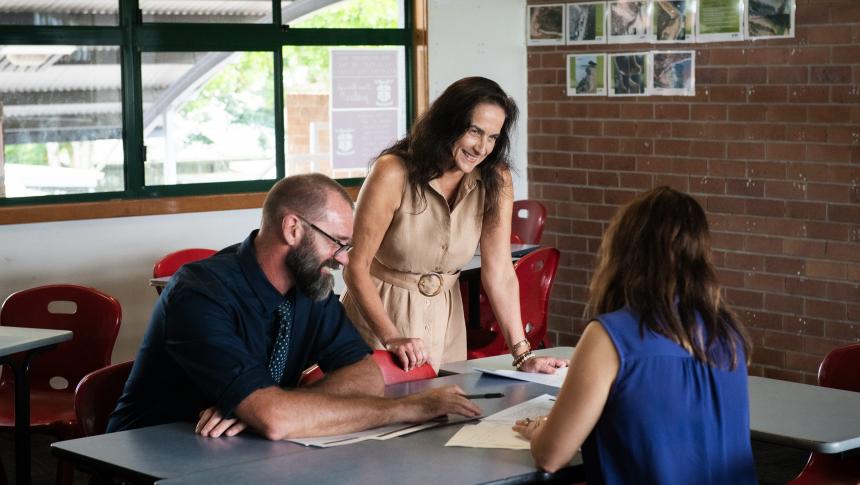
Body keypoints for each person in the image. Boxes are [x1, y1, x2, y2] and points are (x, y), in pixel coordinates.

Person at [107, 174, 481, 440]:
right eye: (338, 242)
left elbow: (365, 376)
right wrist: (410, 407)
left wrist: (272, 406)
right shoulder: (200, 293)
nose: (344, 260)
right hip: (148, 455)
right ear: (292, 229)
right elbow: (275, 421)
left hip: (233, 448)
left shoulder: (309, 287)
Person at [513, 187, 756, 484]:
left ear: (625, 251)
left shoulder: (610, 336)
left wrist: (539, 431)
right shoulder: (728, 333)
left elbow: (551, 456)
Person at [340, 76, 567, 374]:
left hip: (447, 325)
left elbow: (499, 271)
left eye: (493, 137)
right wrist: (392, 336)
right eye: (475, 131)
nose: (482, 147)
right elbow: (354, 264)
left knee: (447, 414)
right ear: (447, 123)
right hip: (381, 319)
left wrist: (523, 354)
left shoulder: (495, 179)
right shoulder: (392, 171)